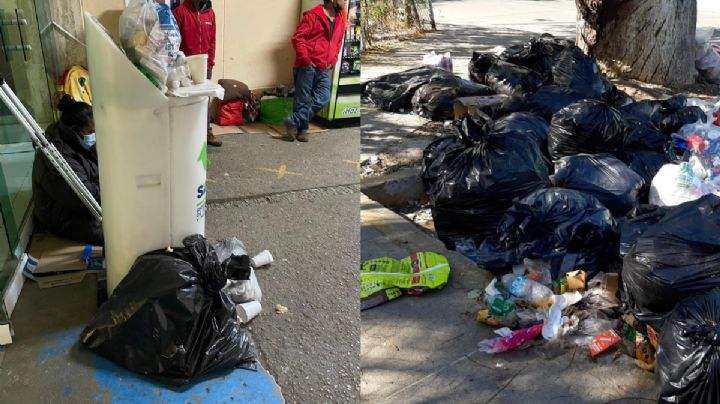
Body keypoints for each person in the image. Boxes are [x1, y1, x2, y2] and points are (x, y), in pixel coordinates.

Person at [32, 95, 103, 245]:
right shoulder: (59, 157)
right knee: (116, 233)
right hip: (62, 215)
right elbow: (84, 199)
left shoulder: (75, 140)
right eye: (91, 132)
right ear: (76, 131)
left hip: (81, 202)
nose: (95, 135)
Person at [285, 0, 347, 142]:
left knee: (324, 97)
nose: (345, 1)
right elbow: (297, 39)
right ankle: (302, 130)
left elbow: (338, 43)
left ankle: (293, 121)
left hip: (323, 67)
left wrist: (333, 60)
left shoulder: (340, 20)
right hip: (306, 65)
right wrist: (306, 60)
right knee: (302, 100)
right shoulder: (313, 16)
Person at [173, 0, 222, 147]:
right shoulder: (180, 12)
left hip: (204, 66)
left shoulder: (210, 14)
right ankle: (186, 135)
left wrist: (211, 62)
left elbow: (212, 40)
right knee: (186, 100)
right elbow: (174, 40)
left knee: (204, 100)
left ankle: (206, 132)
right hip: (185, 66)